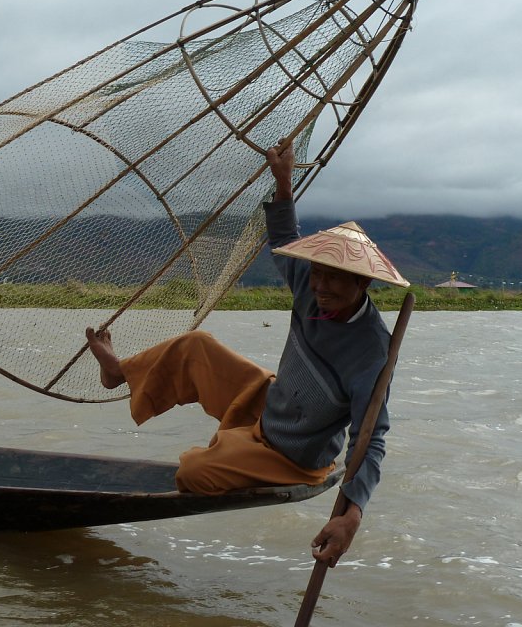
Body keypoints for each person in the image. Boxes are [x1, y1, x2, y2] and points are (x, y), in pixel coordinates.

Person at [85, 142, 410, 567]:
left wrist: (352, 514)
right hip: (271, 403)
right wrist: (283, 182)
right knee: (196, 346)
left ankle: (234, 450)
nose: (322, 288)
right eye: (318, 275)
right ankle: (120, 373)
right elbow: (285, 239)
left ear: (363, 286)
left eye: (336, 281)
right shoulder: (312, 291)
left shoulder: (371, 354)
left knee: (193, 475)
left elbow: (371, 438)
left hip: (294, 456)